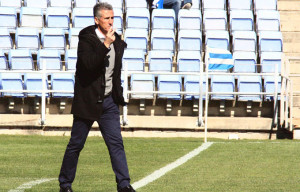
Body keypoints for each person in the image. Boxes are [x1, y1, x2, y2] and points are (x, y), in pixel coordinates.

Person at [58, 2, 136, 192]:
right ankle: (65, 184)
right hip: (88, 101)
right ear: (96, 20)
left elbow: (114, 71)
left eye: (112, 18)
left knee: (116, 143)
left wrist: (117, 93)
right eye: (106, 18)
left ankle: (124, 184)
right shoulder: (86, 38)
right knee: (76, 144)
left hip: (108, 101)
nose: (110, 22)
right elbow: (88, 65)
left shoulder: (115, 39)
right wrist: (106, 44)